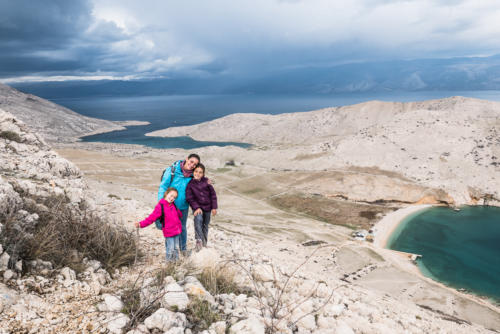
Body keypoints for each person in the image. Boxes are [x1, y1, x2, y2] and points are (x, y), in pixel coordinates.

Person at [158, 153, 200, 252]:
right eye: (191, 162)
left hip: (183, 207)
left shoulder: (193, 176)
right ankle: (170, 252)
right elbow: (163, 187)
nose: (192, 165)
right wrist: (161, 203)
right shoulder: (173, 170)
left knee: (182, 228)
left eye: (195, 164)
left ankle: (183, 250)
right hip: (169, 206)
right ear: (186, 159)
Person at [135, 187, 182, 262]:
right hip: (169, 232)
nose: (172, 198)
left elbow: (178, 214)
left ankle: (176, 262)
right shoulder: (160, 206)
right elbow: (151, 218)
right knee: (170, 248)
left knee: (176, 248)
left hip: (177, 230)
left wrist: (179, 213)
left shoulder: (173, 205)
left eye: (174, 197)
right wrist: (141, 224)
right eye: (171, 195)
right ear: (166, 194)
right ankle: (169, 263)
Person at [185, 163, 218, 251]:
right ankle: (199, 241)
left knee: (205, 225)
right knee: (198, 220)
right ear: (193, 172)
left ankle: (204, 244)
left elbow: (213, 195)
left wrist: (214, 207)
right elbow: (190, 198)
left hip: (208, 208)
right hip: (198, 208)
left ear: (203, 174)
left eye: (200, 172)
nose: (198, 174)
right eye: (196, 171)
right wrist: (196, 207)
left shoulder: (206, 182)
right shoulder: (190, 184)